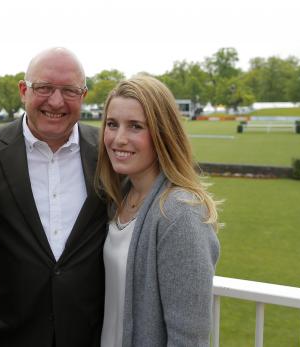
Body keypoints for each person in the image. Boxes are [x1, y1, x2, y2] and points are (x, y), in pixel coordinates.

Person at [0, 48, 108, 346]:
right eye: (45, 88)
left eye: (69, 90)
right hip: (10, 336)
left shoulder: (109, 153)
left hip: (90, 336)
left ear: (84, 95)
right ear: (24, 90)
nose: (56, 101)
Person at [95, 75, 220, 347]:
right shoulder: (120, 197)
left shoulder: (180, 213)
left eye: (136, 126)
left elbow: (188, 338)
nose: (119, 139)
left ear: (163, 133)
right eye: (112, 124)